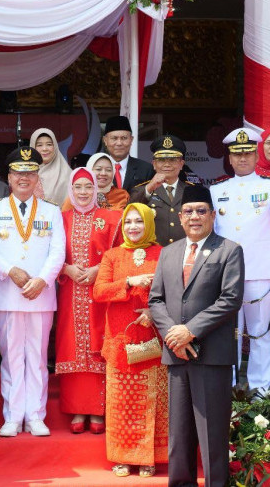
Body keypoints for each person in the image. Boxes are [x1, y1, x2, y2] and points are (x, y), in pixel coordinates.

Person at [148, 184, 245, 487]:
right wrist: (173, 337)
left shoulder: (229, 250)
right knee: (180, 432)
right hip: (177, 353)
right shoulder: (169, 252)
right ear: (180, 215)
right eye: (188, 211)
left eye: (201, 211)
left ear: (213, 215)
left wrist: (190, 331)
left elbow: (230, 300)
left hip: (212, 354)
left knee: (212, 431)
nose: (194, 216)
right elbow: (156, 300)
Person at [0, 146, 65, 437]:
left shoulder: (52, 211)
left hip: (41, 294)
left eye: (30, 172)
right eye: (18, 172)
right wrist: (9, 270)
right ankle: (13, 416)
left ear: (37, 176)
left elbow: (58, 252)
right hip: (7, 294)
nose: (24, 178)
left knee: (38, 358)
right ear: (9, 177)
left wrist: (42, 280)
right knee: (11, 355)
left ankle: (36, 415)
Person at [209, 127, 270, 391]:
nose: (243, 158)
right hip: (226, 271)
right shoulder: (217, 189)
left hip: (260, 268)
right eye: (237, 154)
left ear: (256, 155)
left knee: (259, 331)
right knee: (229, 333)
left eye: (248, 153)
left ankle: (261, 390)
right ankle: (230, 387)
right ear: (230, 158)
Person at [93, 203, 167, 478]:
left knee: (153, 399)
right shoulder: (112, 256)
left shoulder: (163, 254)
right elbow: (99, 292)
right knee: (122, 401)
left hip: (153, 334)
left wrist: (153, 312)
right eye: (128, 222)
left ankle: (150, 458)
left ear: (148, 223)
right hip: (120, 337)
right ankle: (122, 458)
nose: (133, 227)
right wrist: (129, 282)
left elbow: (175, 291)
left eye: (138, 221)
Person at [56, 167, 122, 434]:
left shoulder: (112, 218)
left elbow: (120, 253)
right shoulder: (60, 219)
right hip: (69, 292)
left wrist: (98, 270)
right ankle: (77, 408)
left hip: (100, 293)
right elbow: (48, 253)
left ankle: (98, 410)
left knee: (99, 344)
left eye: (88, 187)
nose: (83, 193)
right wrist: (66, 268)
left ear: (97, 189)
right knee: (72, 344)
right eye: (78, 187)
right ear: (71, 191)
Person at [129, 135, 192, 246]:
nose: (167, 164)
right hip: (153, 256)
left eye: (172, 160)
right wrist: (150, 187)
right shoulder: (142, 190)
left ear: (181, 164)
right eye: (161, 160)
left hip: (184, 254)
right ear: (154, 164)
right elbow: (128, 212)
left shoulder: (192, 191)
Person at [61, 153, 129, 212]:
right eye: (98, 169)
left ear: (113, 172)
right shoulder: (77, 197)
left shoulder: (122, 195)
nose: (103, 173)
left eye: (108, 170)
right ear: (90, 171)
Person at [102, 116, 153, 192]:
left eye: (124, 138)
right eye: (114, 138)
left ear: (131, 140)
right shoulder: (96, 169)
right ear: (105, 140)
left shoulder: (146, 169)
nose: (119, 143)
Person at [30, 128, 72, 206]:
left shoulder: (67, 174)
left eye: (49, 144)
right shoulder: (26, 173)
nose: (45, 149)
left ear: (55, 146)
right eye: (39, 145)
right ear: (33, 147)